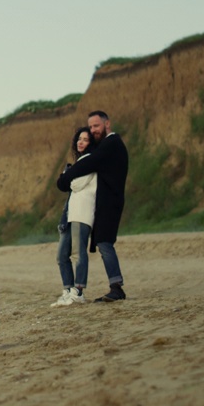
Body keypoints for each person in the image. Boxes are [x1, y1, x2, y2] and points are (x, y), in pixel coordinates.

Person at [56, 110, 129, 302]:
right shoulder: (107, 145)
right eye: (91, 127)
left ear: (107, 124)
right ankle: (115, 286)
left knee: (104, 242)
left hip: (110, 202)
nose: (93, 130)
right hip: (106, 202)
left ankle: (117, 288)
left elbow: (88, 164)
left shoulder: (111, 143)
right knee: (104, 242)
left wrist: (64, 178)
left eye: (96, 125)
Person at [52, 127, 96, 306]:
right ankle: (68, 290)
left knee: (79, 253)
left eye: (85, 139)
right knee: (61, 255)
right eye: (79, 138)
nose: (81, 142)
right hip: (70, 214)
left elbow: (76, 184)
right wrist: (69, 178)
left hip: (83, 212)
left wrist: (67, 177)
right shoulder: (79, 162)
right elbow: (71, 183)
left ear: (91, 143)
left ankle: (78, 291)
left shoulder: (91, 161)